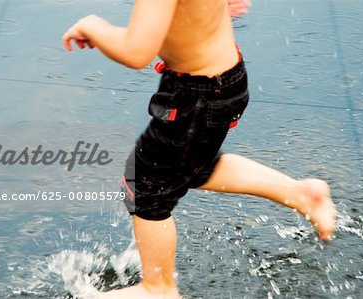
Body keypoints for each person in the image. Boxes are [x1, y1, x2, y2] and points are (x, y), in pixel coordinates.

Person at [62, 0, 336, 298]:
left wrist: (95, 26)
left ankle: (158, 288)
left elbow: (136, 52)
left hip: (198, 96)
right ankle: (302, 195)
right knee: (190, 163)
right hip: (221, 78)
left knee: (146, 183)